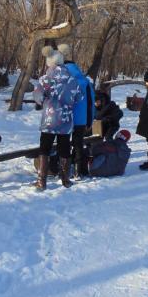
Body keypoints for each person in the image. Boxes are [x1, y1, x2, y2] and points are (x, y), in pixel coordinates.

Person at [33, 46, 83, 190]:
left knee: (45, 147)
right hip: (65, 120)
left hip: (49, 118)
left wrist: (44, 102)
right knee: (64, 147)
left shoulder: (45, 79)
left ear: (49, 62)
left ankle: (41, 181)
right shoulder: (72, 79)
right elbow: (79, 97)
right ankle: (65, 179)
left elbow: (37, 96)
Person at [62, 44, 96, 180]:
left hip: (63, 119)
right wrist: (90, 121)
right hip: (81, 120)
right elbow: (90, 104)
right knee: (78, 144)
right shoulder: (85, 82)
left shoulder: (62, 79)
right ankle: (78, 170)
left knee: (63, 145)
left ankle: (64, 170)